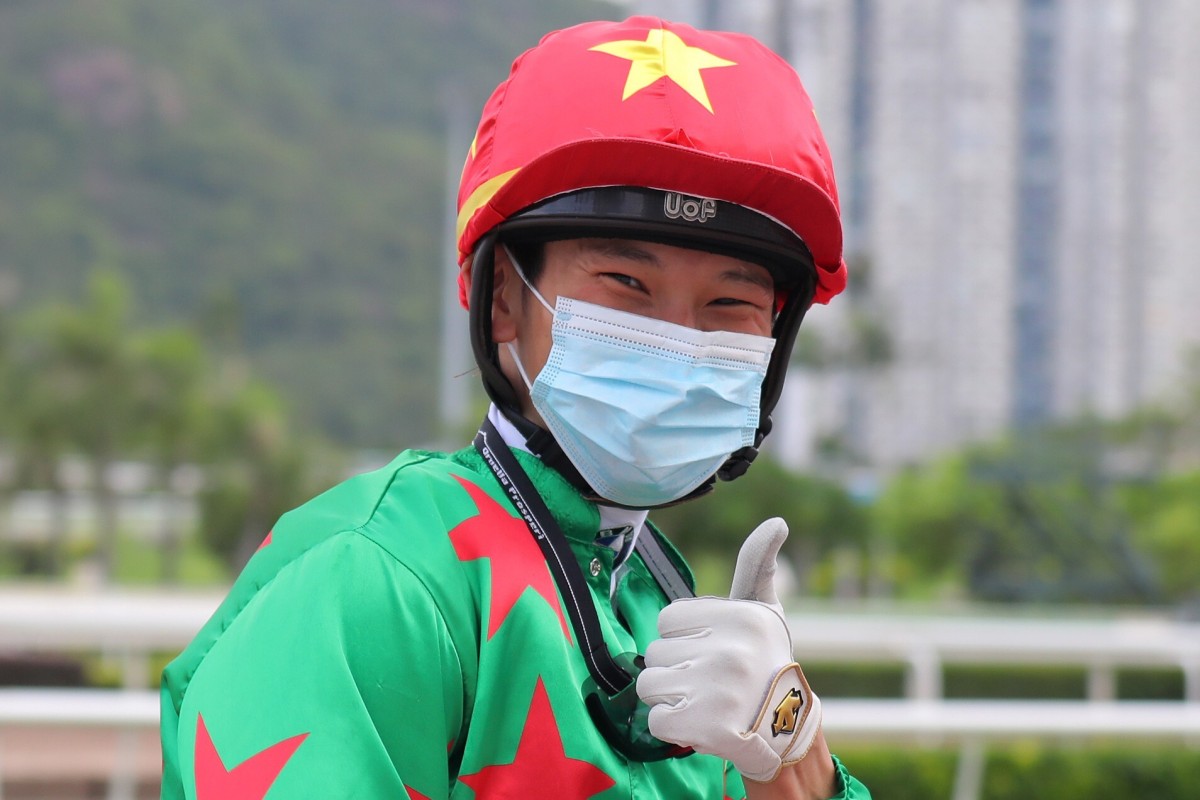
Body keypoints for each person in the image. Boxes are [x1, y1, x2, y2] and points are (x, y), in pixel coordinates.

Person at [160, 15, 871, 800]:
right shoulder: (378, 580)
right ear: (505, 301)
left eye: (729, 301)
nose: (677, 339)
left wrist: (792, 755)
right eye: (626, 286)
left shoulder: (657, 602)